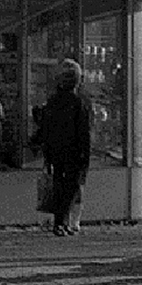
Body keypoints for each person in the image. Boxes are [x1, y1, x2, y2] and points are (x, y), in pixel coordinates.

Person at [34, 59, 91, 236]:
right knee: (71, 187)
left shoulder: (53, 101)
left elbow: (45, 127)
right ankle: (62, 221)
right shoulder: (78, 103)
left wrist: (44, 149)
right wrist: (85, 156)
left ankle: (60, 222)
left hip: (56, 151)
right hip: (73, 152)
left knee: (59, 185)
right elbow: (84, 133)